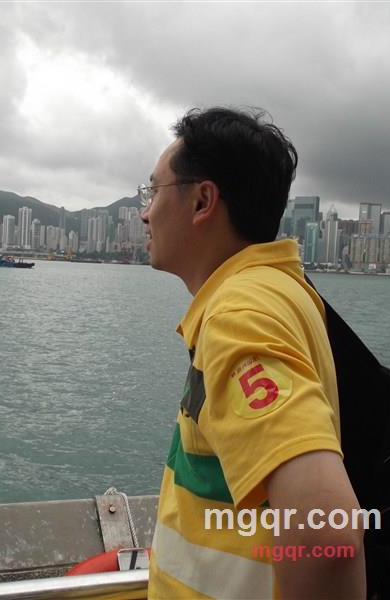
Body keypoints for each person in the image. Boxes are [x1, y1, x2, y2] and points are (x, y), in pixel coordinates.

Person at [141, 107, 366, 599]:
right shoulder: (284, 289)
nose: (145, 212)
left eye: (153, 192)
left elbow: (326, 533)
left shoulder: (238, 316)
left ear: (203, 201)